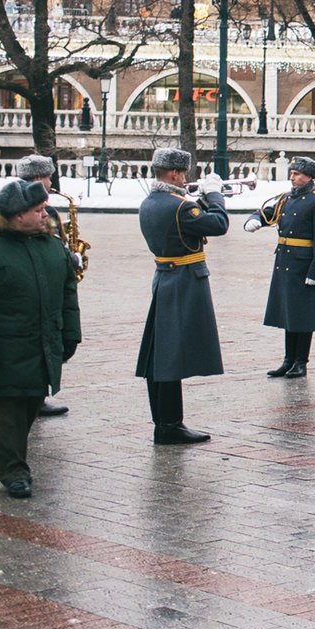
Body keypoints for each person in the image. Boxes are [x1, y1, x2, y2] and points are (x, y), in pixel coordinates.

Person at [0, 179, 79, 499]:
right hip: (5, 347)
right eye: (37, 210)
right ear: (16, 215)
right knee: (8, 407)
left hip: (42, 345)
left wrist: (70, 334)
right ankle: (14, 472)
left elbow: (68, 293)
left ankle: (0, 456)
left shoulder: (52, 246)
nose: (45, 215)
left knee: (31, 403)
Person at [137, 148, 227, 445]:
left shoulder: (151, 202)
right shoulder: (180, 207)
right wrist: (214, 196)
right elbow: (218, 224)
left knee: (160, 356)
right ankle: (170, 425)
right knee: (170, 357)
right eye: (183, 172)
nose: (185, 177)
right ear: (174, 173)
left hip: (165, 279)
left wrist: (198, 203)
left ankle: (165, 422)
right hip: (185, 282)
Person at [244, 157, 315, 379]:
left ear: (309, 177)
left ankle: (301, 361)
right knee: (289, 313)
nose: (292, 178)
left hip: (303, 265)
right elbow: (267, 212)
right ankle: (288, 360)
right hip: (285, 262)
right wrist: (254, 219)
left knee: (303, 315)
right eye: (292, 173)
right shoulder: (286, 198)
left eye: (297, 174)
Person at [12, 154, 79, 415]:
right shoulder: (41, 210)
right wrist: (69, 259)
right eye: (49, 177)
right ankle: (35, 398)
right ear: (39, 178)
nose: (52, 182)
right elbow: (46, 250)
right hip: (43, 287)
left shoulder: (13, 202)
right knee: (42, 340)